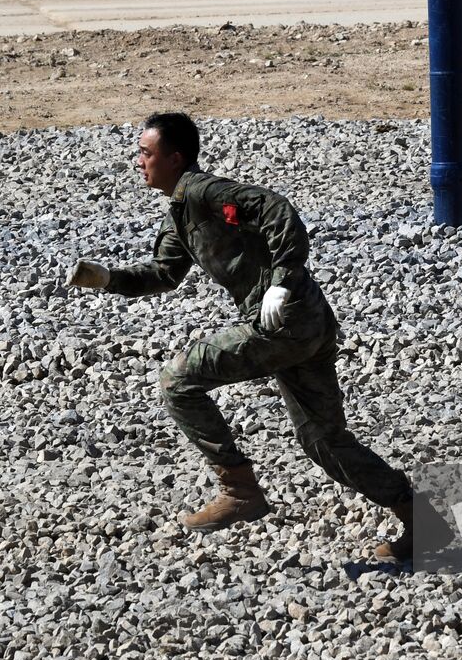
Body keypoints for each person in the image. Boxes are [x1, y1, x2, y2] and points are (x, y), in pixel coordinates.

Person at [67, 112, 417, 560]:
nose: (138, 161)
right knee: (325, 443)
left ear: (175, 158)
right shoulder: (179, 211)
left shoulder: (203, 190)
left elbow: (276, 209)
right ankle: (418, 518)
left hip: (284, 318)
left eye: (146, 153)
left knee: (178, 380)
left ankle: (239, 489)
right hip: (306, 322)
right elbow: (164, 272)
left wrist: (281, 280)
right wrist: (107, 278)